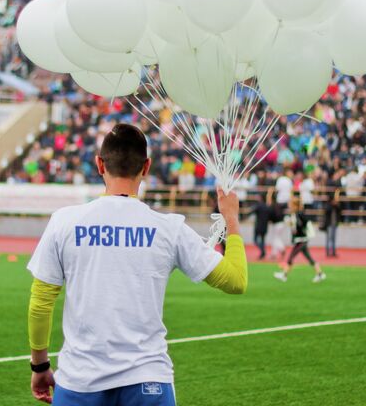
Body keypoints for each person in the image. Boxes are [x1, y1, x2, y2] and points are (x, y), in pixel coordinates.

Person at [26, 124, 247, 405]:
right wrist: (231, 219)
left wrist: (40, 366)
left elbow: (40, 303)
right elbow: (236, 281)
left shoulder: (64, 221)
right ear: (146, 167)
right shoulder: (169, 228)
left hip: (79, 380)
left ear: (99, 164)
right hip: (147, 378)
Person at [274, 197, 326, 283]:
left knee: (291, 257)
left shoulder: (300, 214)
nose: (290, 207)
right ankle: (320, 274)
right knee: (309, 259)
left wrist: (293, 223)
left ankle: (284, 275)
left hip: (301, 240)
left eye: (291, 205)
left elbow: (303, 225)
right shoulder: (296, 214)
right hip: (300, 240)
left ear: (295, 205)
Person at [250, 194, 271, 260]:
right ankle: (262, 252)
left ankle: (263, 251)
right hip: (265, 226)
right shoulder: (267, 206)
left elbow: (251, 211)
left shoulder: (258, 206)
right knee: (262, 241)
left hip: (258, 226)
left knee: (255, 240)